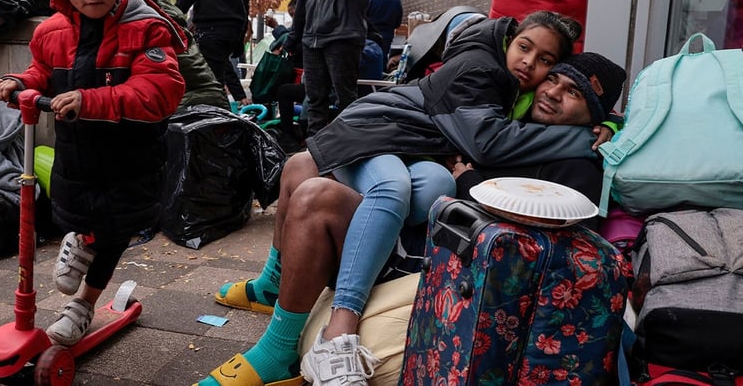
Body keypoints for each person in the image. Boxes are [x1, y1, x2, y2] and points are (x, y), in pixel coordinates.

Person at [195, 52, 627, 386]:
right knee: (302, 165)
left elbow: (541, 250)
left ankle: (278, 351)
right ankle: (273, 287)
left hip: (437, 264)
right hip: (407, 230)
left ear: (592, 113)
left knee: (316, 198)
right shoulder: (510, 113)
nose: (553, 91)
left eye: (573, 93)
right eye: (552, 78)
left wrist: (469, 177)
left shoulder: (578, 161)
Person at [0, 0, 186, 346]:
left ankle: (83, 304)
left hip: (131, 158)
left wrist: (92, 98)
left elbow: (162, 91)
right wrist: (22, 84)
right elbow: (41, 72)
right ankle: (80, 237)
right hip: (77, 155)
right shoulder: (51, 32)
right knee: (74, 212)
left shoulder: (146, 28)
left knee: (118, 228)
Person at [284, 0, 374, 137]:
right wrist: (295, 33)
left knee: (345, 99)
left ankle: (346, 153)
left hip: (342, 32)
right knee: (315, 101)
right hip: (313, 33)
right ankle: (313, 155)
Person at [366, 0, 403, 67]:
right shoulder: (396, 1)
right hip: (386, 39)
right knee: (381, 64)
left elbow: (362, 17)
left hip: (370, 38)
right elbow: (397, 24)